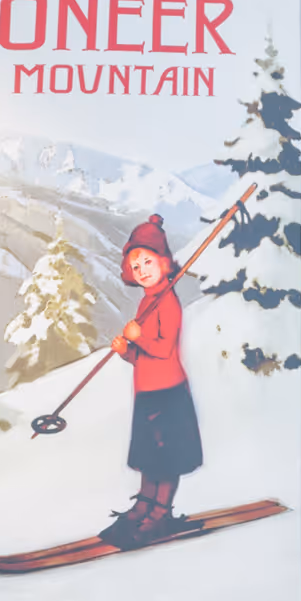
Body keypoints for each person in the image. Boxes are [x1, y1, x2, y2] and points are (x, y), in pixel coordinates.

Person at [103, 213, 203, 547]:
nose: (142, 269)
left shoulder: (168, 303)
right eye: (136, 264)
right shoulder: (147, 301)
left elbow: (163, 350)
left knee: (166, 457)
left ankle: (160, 513)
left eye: (148, 261)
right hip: (147, 393)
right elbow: (144, 359)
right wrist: (125, 351)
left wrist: (138, 337)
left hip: (168, 394)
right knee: (149, 458)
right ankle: (143, 507)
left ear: (164, 262)